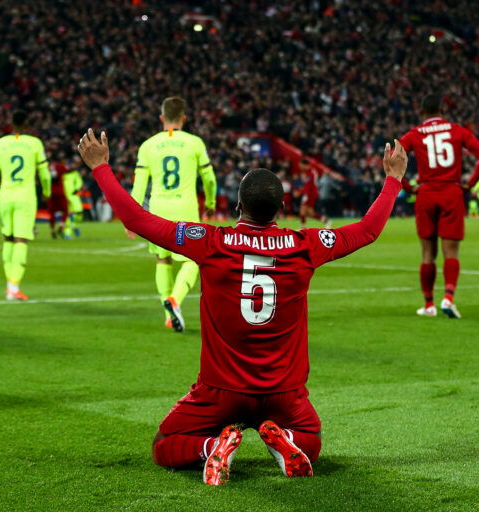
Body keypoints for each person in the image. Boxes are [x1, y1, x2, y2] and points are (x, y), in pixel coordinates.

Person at [77, 128, 407, 486]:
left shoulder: (210, 241)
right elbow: (368, 230)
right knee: (311, 441)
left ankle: (211, 446)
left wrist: (100, 168)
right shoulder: (305, 244)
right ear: (282, 207)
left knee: (166, 444)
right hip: (284, 394)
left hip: (221, 391)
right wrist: (393, 179)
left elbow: (137, 219)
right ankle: (287, 444)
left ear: (237, 206)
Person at [127, 97, 217, 332]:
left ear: (161, 118)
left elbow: (139, 185)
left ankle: (167, 312)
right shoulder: (194, 142)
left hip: (158, 209)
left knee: (162, 259)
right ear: (184, 118)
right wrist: (210, 202)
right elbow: (209, 178)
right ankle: (175, 300)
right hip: (185, 208)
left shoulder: (148, 145)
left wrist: (131, 217)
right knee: (193, 259)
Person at [400, 94, 479, 319]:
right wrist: (469, 184)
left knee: (427, 253)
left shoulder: (413, 134)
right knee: (451, 251)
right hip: (452, 193)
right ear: (442, 110)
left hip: (426, 193)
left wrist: (408, 188)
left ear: (422, 112)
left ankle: (428, 304)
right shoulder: (457, 130)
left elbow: (393, 158)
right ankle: (448, 298)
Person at [0, 109, 51, 300]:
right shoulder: (35, 144)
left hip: (4, 196)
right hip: (26, 196)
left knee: (8, 239)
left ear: (11, 124)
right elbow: (45, 173)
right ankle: (14, 287)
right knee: (21, 240)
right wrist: (46, 192)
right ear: (27, 125)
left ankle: (9, 284)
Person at [48, 154, 71, 239]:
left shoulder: (48, 167)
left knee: (52, 213)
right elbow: (68, 170)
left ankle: (52, 230)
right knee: (65, 210)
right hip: (60, 192)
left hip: (50, 192)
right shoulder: (60, 166)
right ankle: (61, 228)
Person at [63, 165, 84, 238]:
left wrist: (76, 188)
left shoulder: (75, 174)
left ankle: (75, 226)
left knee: (79, 213)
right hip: (65, 197)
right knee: (68, 215)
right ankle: (67, 233)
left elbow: (79, 182)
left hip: (74, 196)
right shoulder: (62, 175)